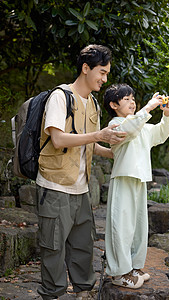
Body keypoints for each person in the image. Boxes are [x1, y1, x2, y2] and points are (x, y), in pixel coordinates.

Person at [36, 45, 127, 300]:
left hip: (81, 187)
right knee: (52, 248)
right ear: (86, 68)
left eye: (107, 73)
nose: (105, 79)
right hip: (54, 186)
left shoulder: (94, 103)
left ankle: (83, 292)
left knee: (84, 247)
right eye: (102, 72)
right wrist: (98, 135)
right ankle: (52, 295)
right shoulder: (60, 97)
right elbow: (58, 139)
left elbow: (89, 143)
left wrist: (113, 152)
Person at [103, 83, 169, 289]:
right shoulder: (115, 124)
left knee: (138, 227)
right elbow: (129, 129)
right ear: (114, 105)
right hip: (124, 178)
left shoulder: (140, 124)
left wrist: (167, 114)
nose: (132, 102)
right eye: (126, 99)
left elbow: (160, 133)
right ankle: (118, 273)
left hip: (139, 179)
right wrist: (149, 107)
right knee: (121, 226)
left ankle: (133, 267)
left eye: (133, 98)